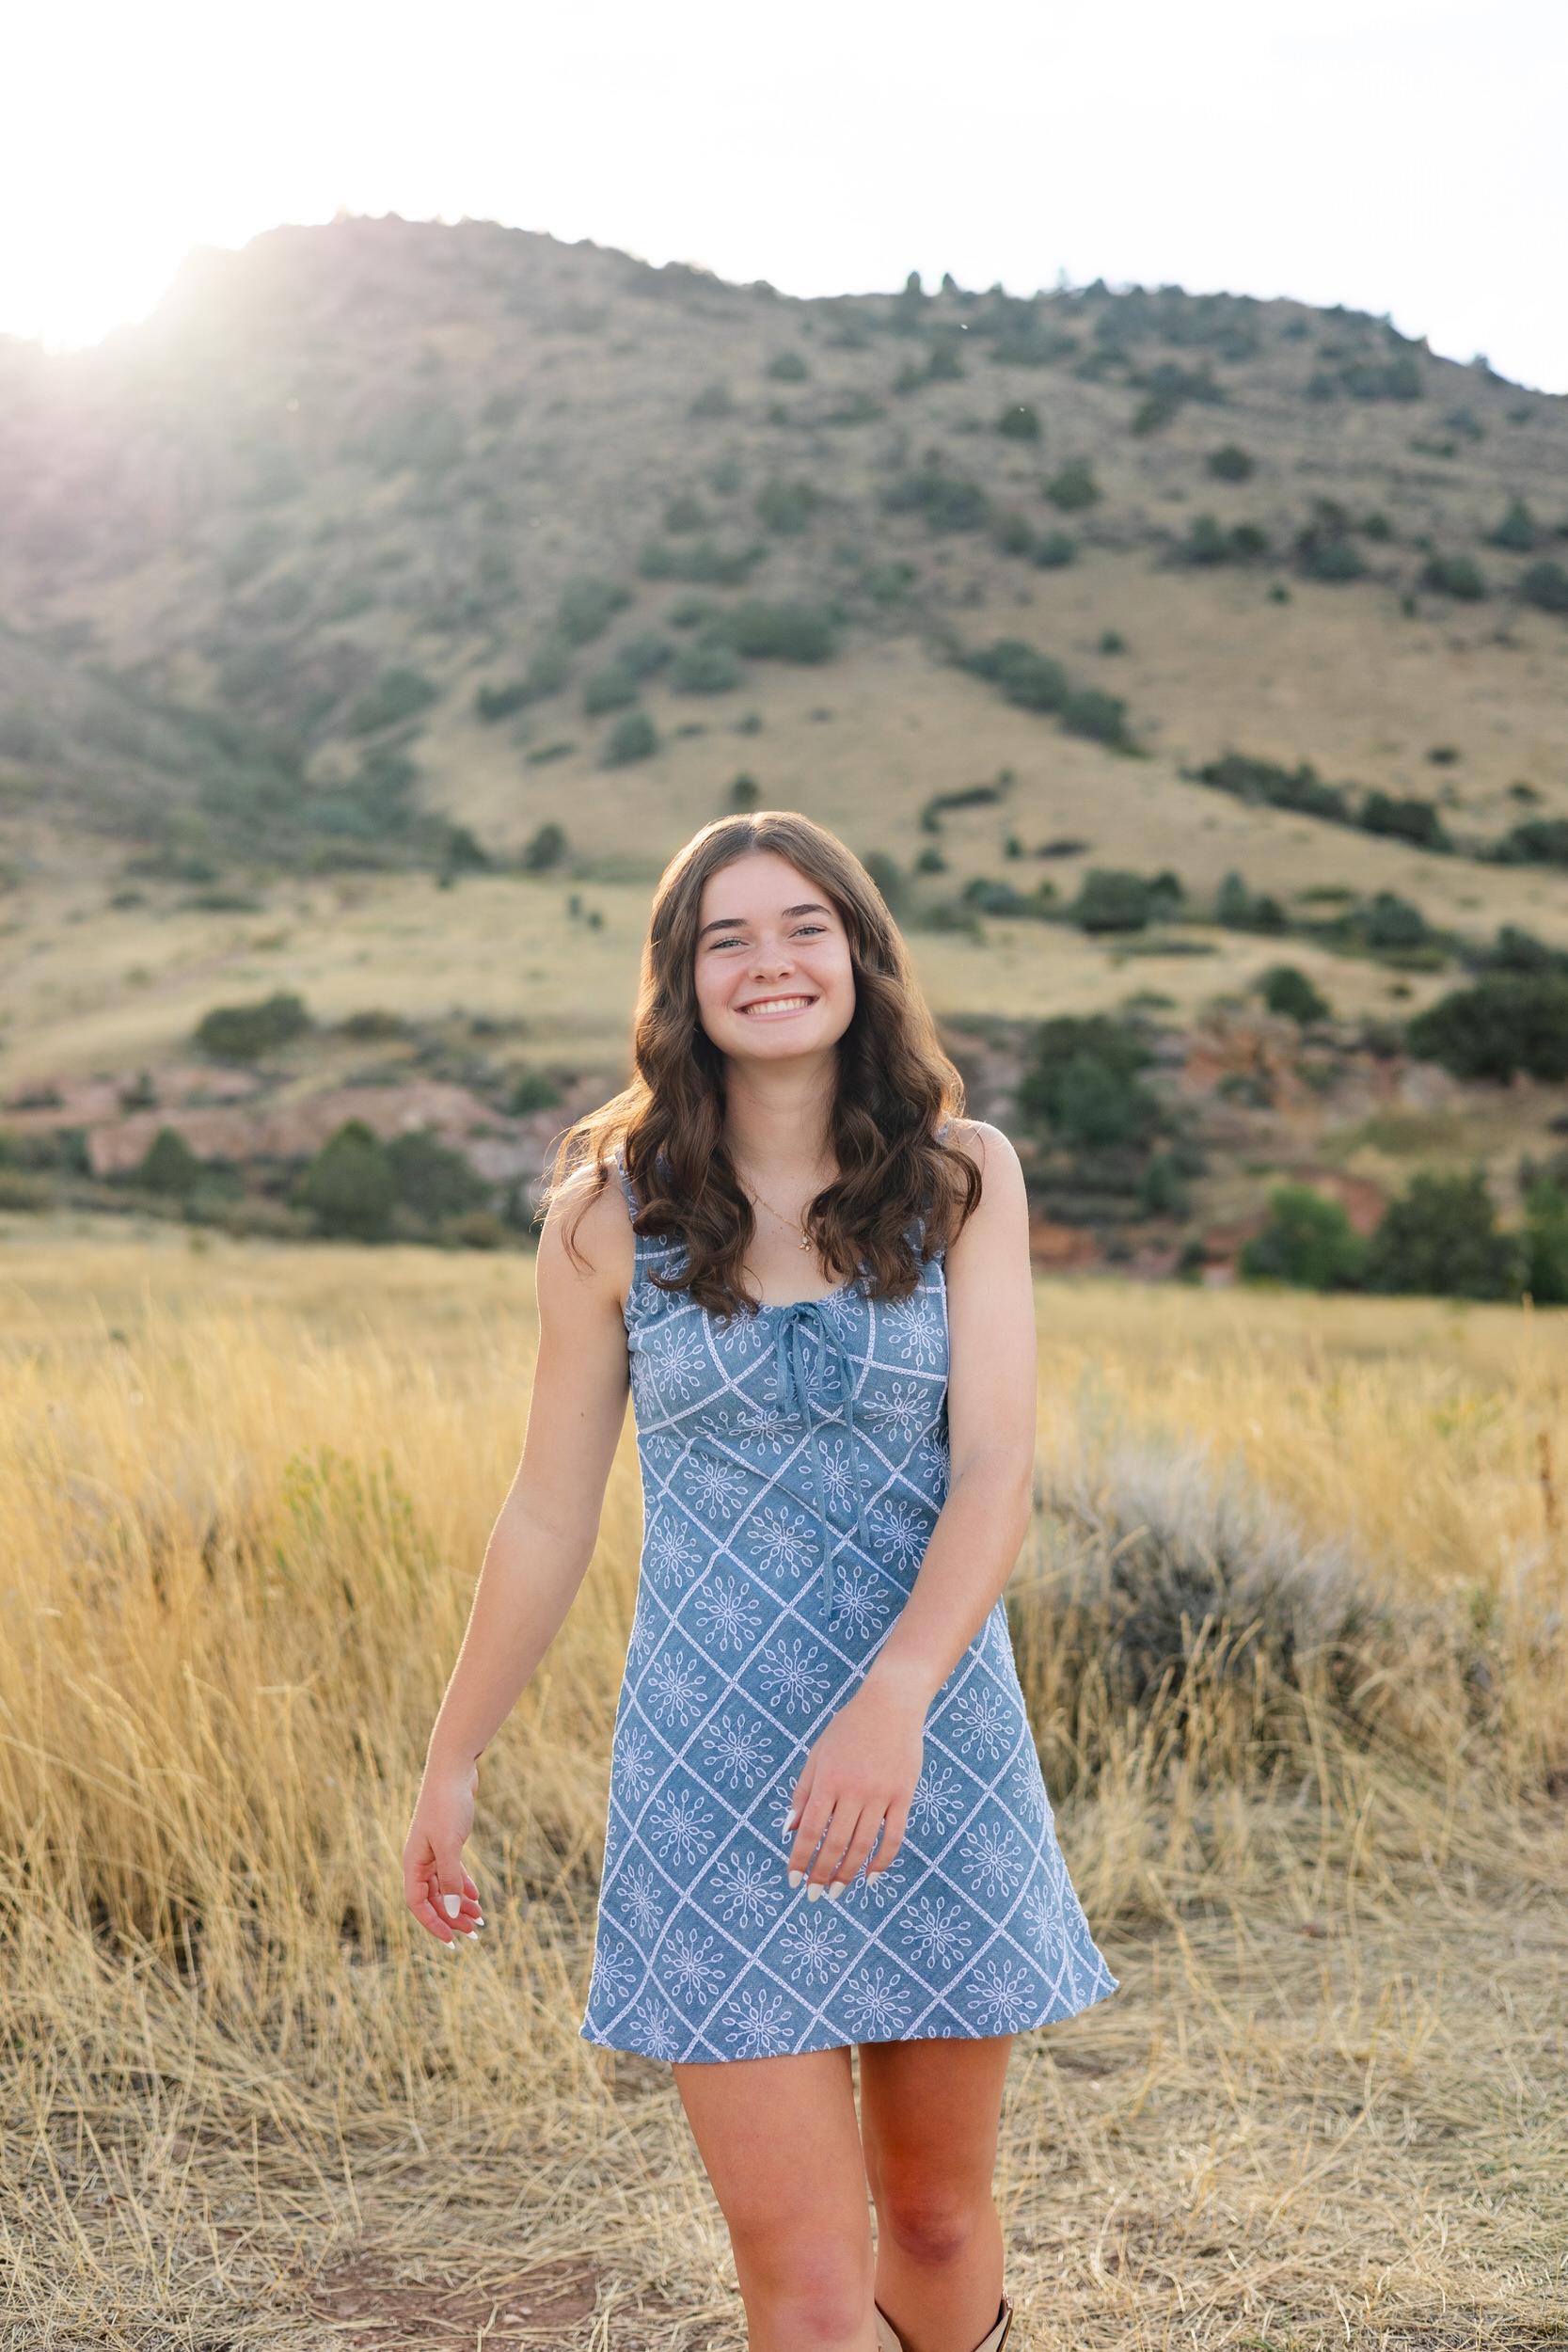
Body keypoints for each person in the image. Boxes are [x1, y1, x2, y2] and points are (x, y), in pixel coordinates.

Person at [404, 813, 1116, 2352]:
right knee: (797, 2271)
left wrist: (898, 1696)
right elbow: (544, 1513)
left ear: (858, 954)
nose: (769, 962)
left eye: (803, 926)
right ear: (680, 982)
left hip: (932, 1742)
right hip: (710, 1770)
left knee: (932, 2212)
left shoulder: (961, 1180)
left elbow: (997, 1467)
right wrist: (452, 1758)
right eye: (726, 937)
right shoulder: (608, 1214)